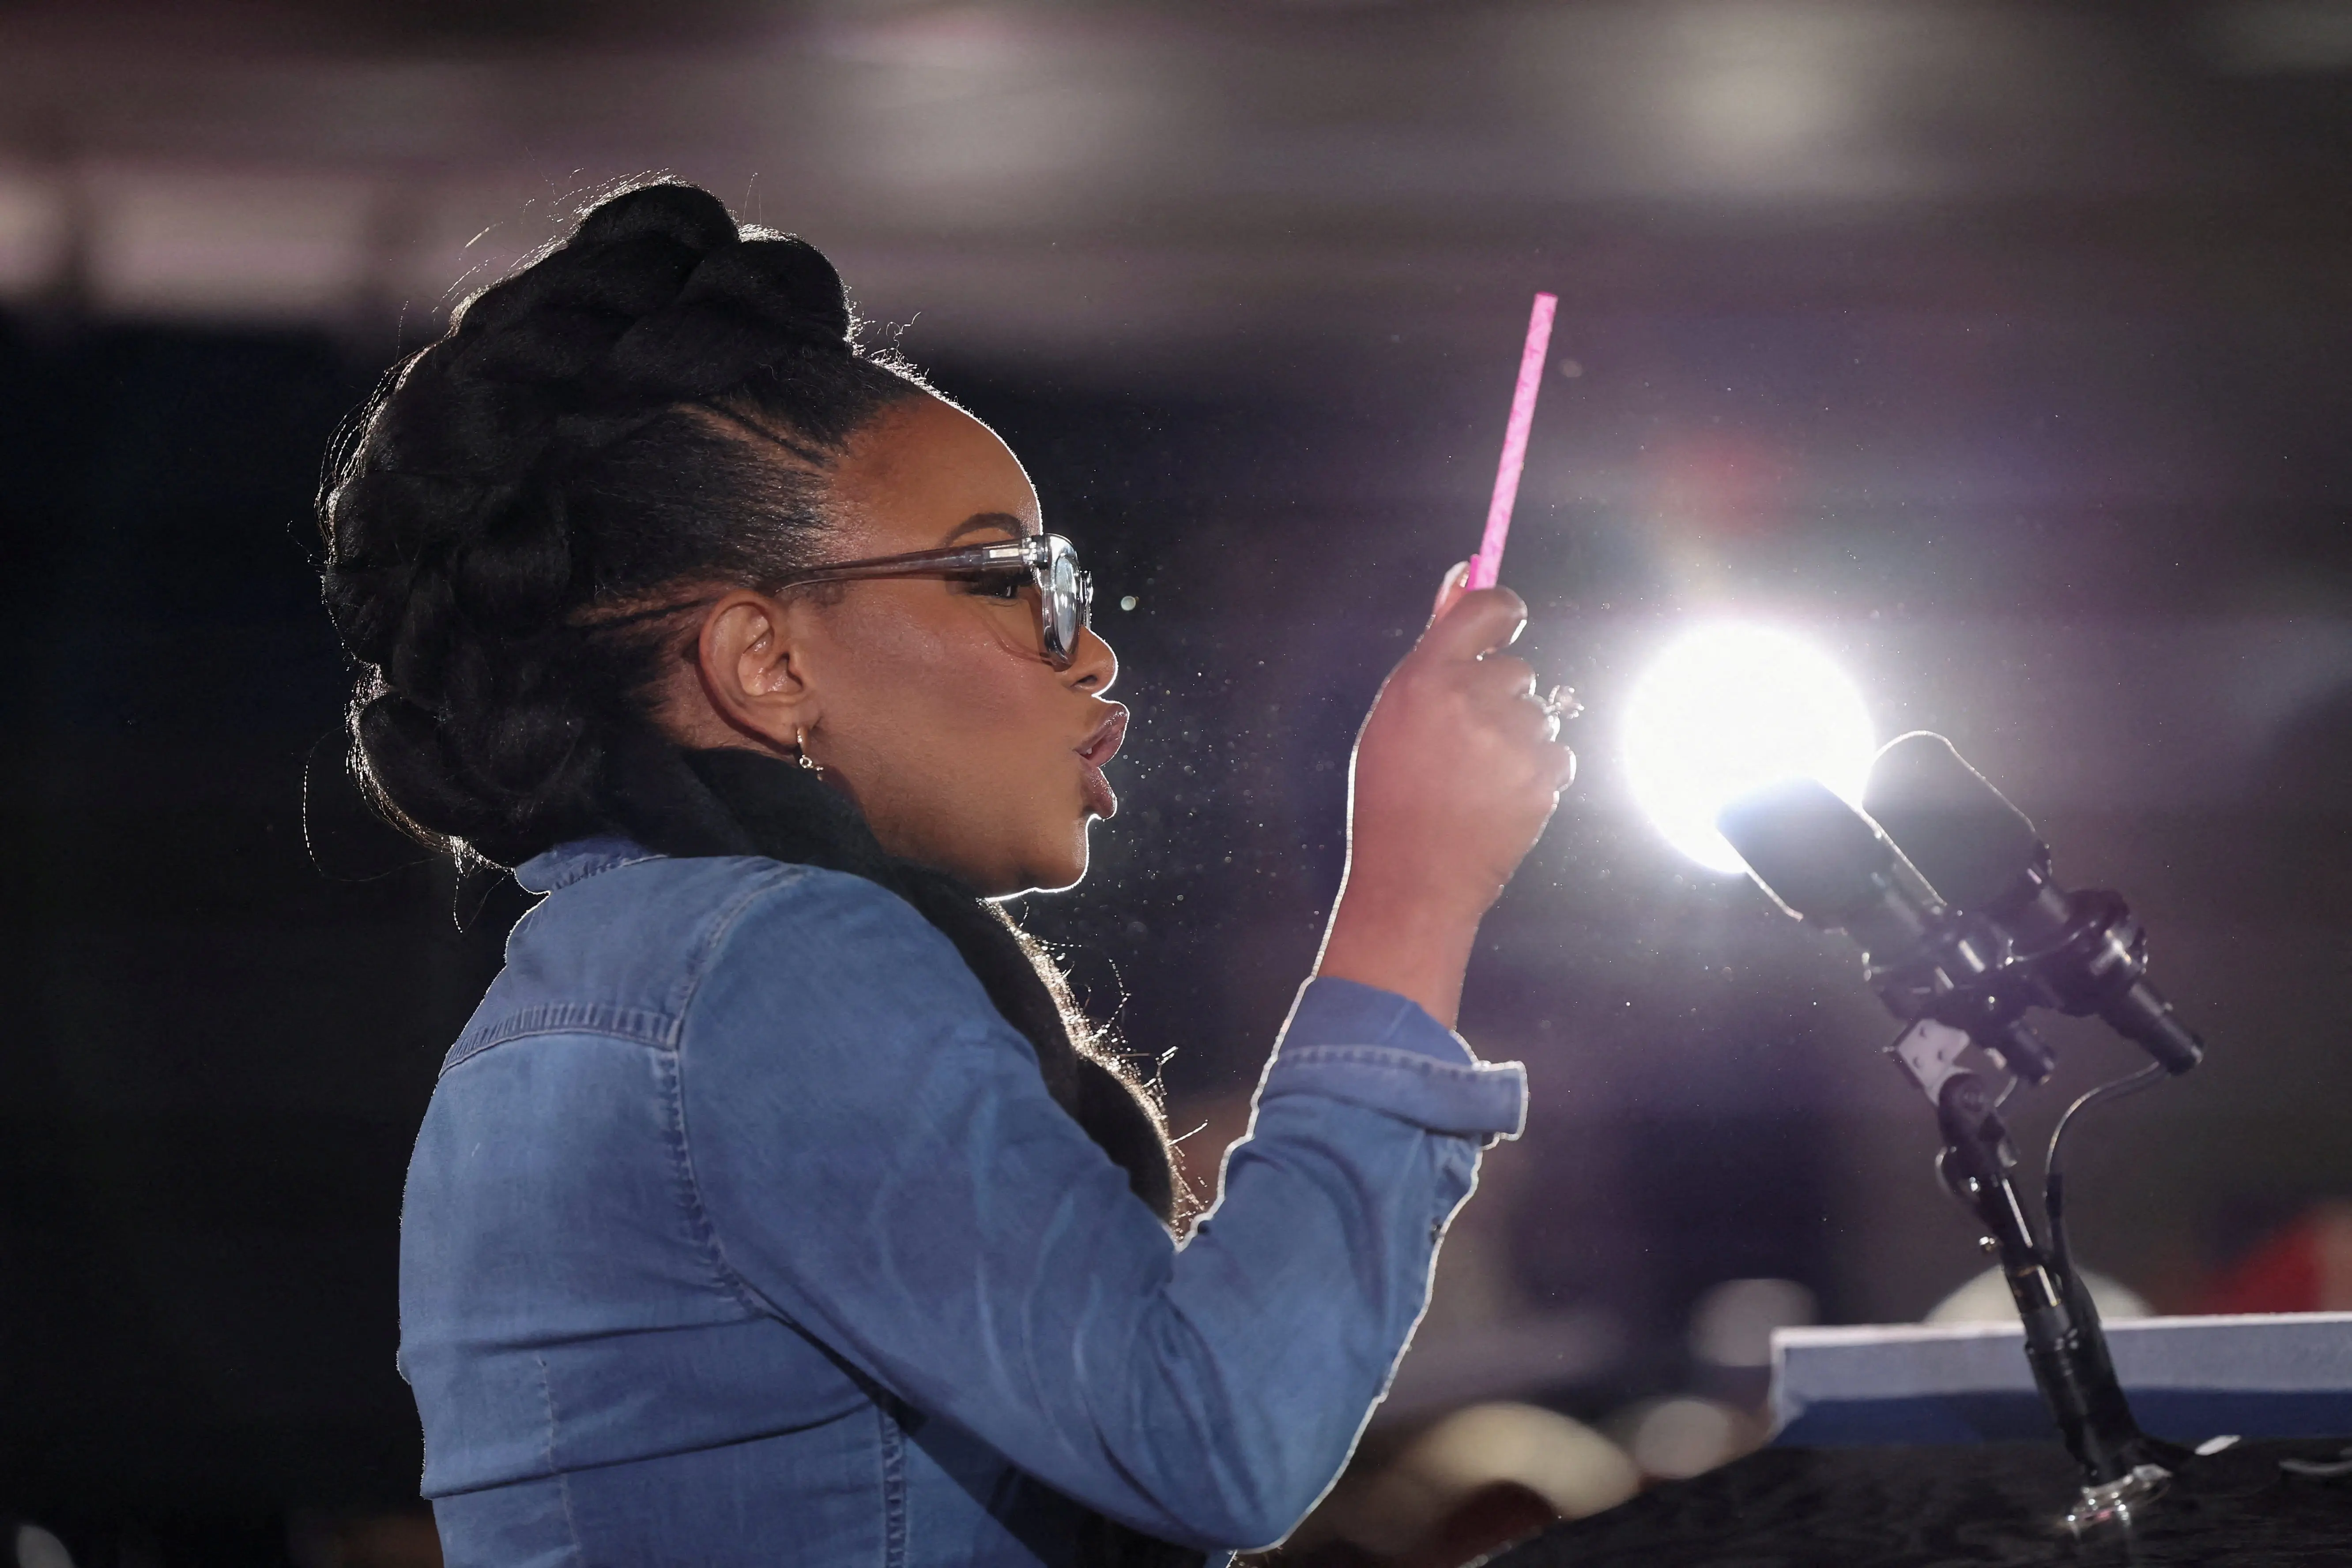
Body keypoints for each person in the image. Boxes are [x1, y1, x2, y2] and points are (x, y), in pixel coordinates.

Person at [320, 180, 1576, 1568]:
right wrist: (1413, 889)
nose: (1089, 652)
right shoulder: (771, 967)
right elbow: (1216, 1429)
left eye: (1066, 586)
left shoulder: (597, 986)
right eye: (1001, 578)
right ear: (767, 663)